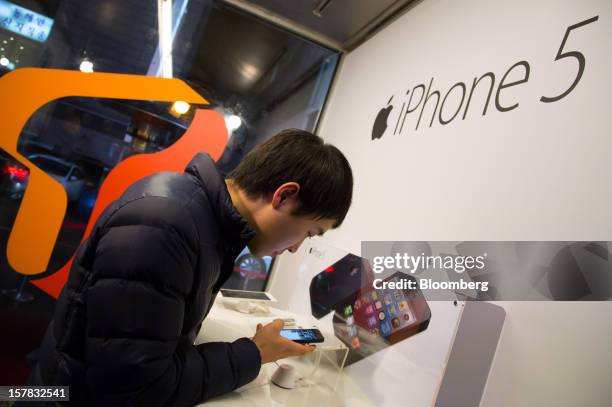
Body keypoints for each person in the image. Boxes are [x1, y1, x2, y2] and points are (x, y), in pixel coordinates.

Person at [24, 129, 353, 406]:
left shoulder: (202, 222)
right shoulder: (165, 226)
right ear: (284, 197)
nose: (296, 247)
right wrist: (255, 353)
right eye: (310, 232)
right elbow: (136, 389)